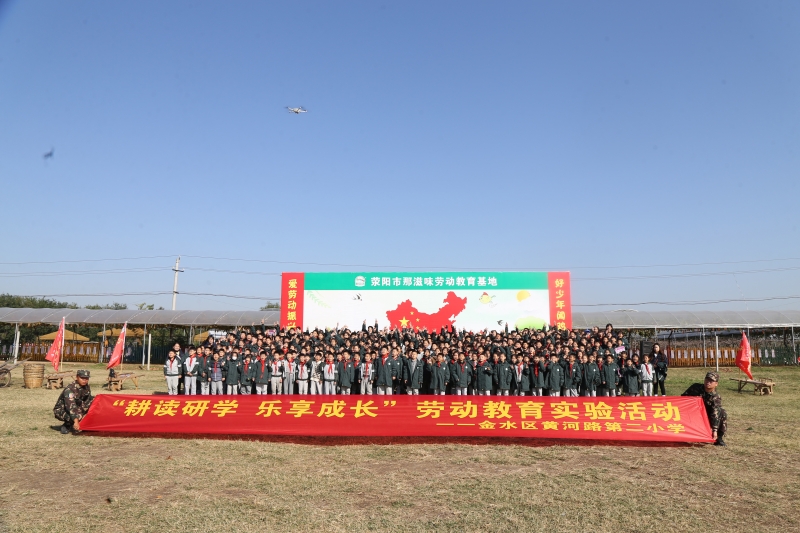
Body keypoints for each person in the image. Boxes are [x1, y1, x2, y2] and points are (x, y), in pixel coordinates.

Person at [682, 371, 728, 446]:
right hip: (693, 413)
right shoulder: (695, 387)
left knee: (722, 412)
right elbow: (683, 399)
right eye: (707, 379)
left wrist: (715, 430)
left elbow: (715, 413)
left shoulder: (715, 397)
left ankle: (719, 437)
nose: (708, 382)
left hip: (706, 416)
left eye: (711, 381)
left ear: (716, 384)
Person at [53, 369, 93, 434]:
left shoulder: (86, 387)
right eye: (82, 378)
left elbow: (88, 399)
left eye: (86, 378)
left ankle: (84, 422)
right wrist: (76, 422)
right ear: (77, 377)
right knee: (77, 416)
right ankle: (67, 425)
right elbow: (71, 407)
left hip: (77, 406)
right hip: (62, 409)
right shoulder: (70, 390)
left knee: (94, 401)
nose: (85, 380)